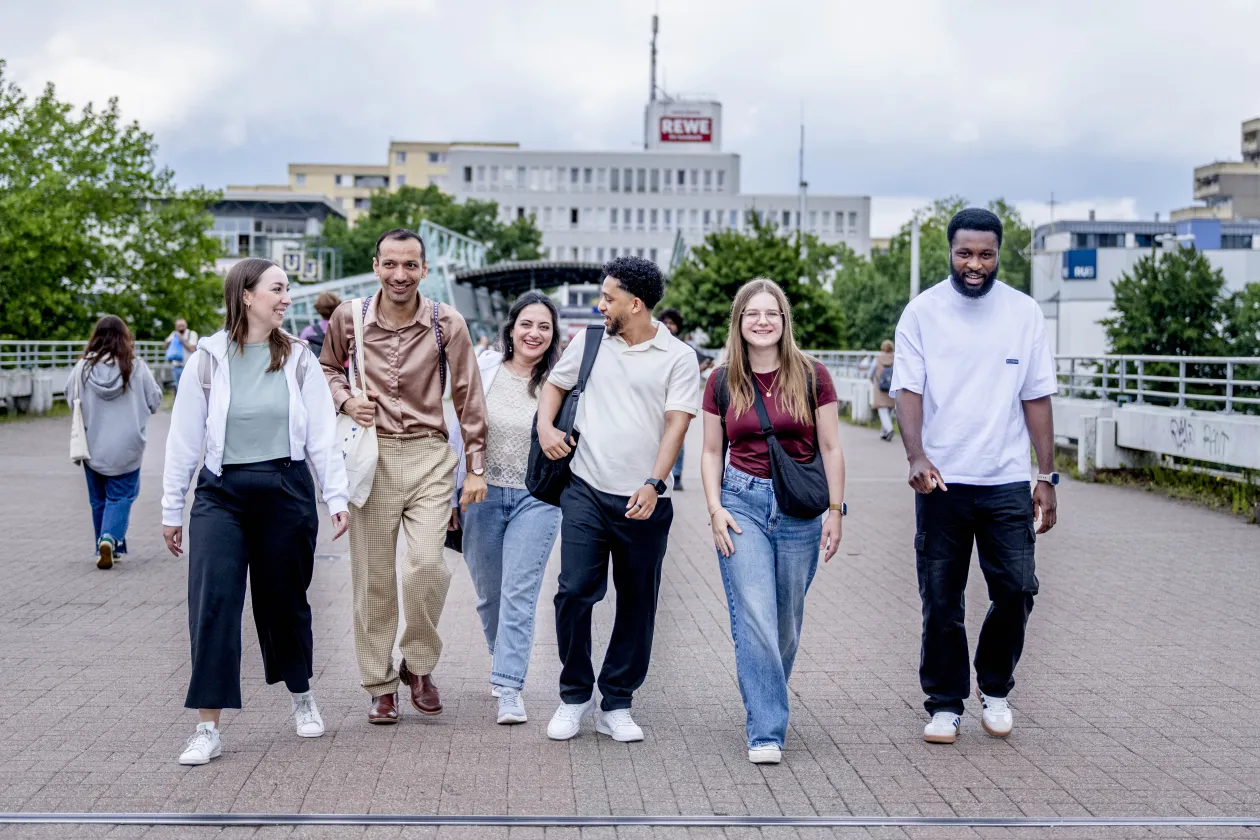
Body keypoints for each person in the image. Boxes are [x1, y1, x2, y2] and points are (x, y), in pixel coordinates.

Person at [161, 258, 349, 766]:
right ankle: (207, 726)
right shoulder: (207, 357)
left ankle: (302, 695)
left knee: (283, 600)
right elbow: (184, 439)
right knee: (213, 602)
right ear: (247, 295)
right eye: (278, 289)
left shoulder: (300, 358)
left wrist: (335, 496)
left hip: (285, 490)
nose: (287, 297)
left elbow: (321, 437)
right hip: (221, 494)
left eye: (288, 289)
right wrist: (171, 508)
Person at [890, 208, 1058, 745]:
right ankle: (944, 703)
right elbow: (908, 390)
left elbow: (1036, 396)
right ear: (950, 251)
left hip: (1006, 479)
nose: (975, 264)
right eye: (965, 253)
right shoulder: (922, 313)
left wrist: (1047, 475)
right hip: (941, 481)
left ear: (999, 253)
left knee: (1017, 589)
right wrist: (915, 456)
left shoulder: (1024, 313)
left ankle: (995, 687)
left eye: (986, 254)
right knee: (941, 598)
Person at [321, 228, 488, 725]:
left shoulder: (446, 323)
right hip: (371, 458)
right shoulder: (346, 318)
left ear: (424, 270)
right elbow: (326, 369)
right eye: (390, 264)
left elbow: (469, 396)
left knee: (426, 569)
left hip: (430, 457)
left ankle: (418, 663)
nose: (400, 275)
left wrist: (475, 467)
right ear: (375, 265)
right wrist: (347, 399)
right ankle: (379, 683)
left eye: (410, 265)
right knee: (373, 580)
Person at [538, 256, 701, 743]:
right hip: (585, 487)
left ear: (635, 303)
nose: (600, 304)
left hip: (643, 499)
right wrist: (546, 426)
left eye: (608, 297)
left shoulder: (678, 356)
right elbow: (555, 384)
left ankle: (617, 702)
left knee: (638, 603)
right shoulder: (590, 341)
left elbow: (677, 423)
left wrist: (654, 484)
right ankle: (573, 695)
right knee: (573, 592)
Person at [700, 279, 846, 765]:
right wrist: (715, 509)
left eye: (772, 313)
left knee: (785, 623)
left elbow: (831, 448)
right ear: (738, 322)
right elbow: (708, 451)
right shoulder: (721, 381)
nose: (762, 321)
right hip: (740, 502)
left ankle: (765, 692)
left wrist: (836, 510)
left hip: (800, 510)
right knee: (757, 616)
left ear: (784, 321)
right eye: (752, 314)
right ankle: (766, 727)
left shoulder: (812, 375)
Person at [458, 291, 564, 725]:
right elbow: (460, 429)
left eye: (544, 326)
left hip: (536, 498)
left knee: (519, 593)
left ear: (553, 335)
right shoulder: (484, 370)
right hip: (482, 496)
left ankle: (508, 687)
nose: (534, 333)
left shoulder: (560, 381)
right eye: (527, 324)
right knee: (490, 597)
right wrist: (457, 487)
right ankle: (502, 658)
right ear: (511, 329)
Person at [67, 315, 162, 570]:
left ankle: (105, 544)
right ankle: (109, 539)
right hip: (128, 447)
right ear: (125, 337)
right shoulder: (136, 366)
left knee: (99, 499)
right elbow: (154, 401)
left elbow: (70, 400)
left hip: (92, 445)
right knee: (121, 497)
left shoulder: (82, 369)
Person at [657, 307, 698, 491]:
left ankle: (677, 474)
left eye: (672, 323)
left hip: (678, 400)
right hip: (657, 401)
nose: (668, 326)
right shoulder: (655, 344)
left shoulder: (685, 349)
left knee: (677, 437)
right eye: (665, 322)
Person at [299, 292, 341, 360]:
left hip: (322, 368)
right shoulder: (348, 326)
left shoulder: (308, 332)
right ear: (338, 305)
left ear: (318, 309)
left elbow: (299, 353)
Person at [870, 339, 897, 441]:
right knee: (889, 410)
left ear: (882, 348)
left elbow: (870, 373)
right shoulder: (896, 359)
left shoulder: (877, 359)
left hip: (879, 388)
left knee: (882, 410)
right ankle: (883, 432)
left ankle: (889, 429)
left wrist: (873, 381)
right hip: (891, 387)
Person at [163, 318, 199, 391]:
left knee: (188, 388)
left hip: (188, 367)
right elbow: (164, 345)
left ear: (186, 325)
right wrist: (170, 341)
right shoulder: (174, 334)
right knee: (177, 388)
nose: (180, 328)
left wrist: (181, 339)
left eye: (182, 325)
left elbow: (192, 349)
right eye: (178, 326)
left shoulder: (191, 334)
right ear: (176, 326)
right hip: (176, 366)